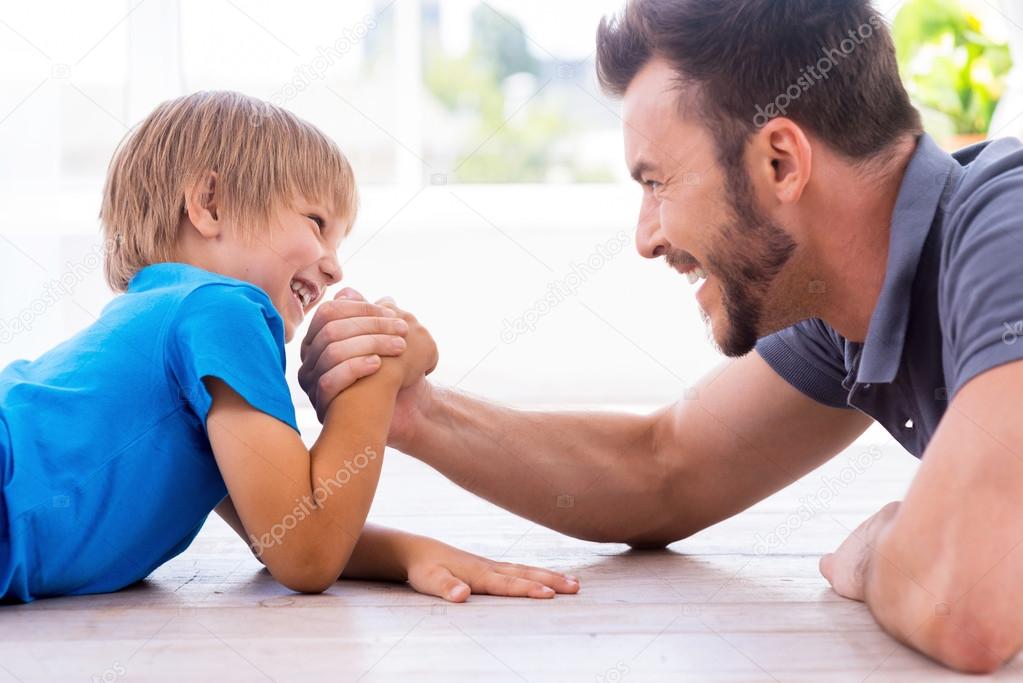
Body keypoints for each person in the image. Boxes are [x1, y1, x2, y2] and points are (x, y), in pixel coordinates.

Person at [299, 0, 1023, 673]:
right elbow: (662, 469)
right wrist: (416, 413)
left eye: (656, 183)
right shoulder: (844, 308)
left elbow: (963, 602)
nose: (645, 239)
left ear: (781, 162)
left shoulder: (1006, 234)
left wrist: (875, 551)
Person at [0, 91, 580, 604]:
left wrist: (408, 553)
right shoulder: (222, 309)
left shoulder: (167, 322)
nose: (333, 265)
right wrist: (379, 369)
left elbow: (278, 527)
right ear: (210, 203)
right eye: (316, 222)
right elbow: (305, 551)